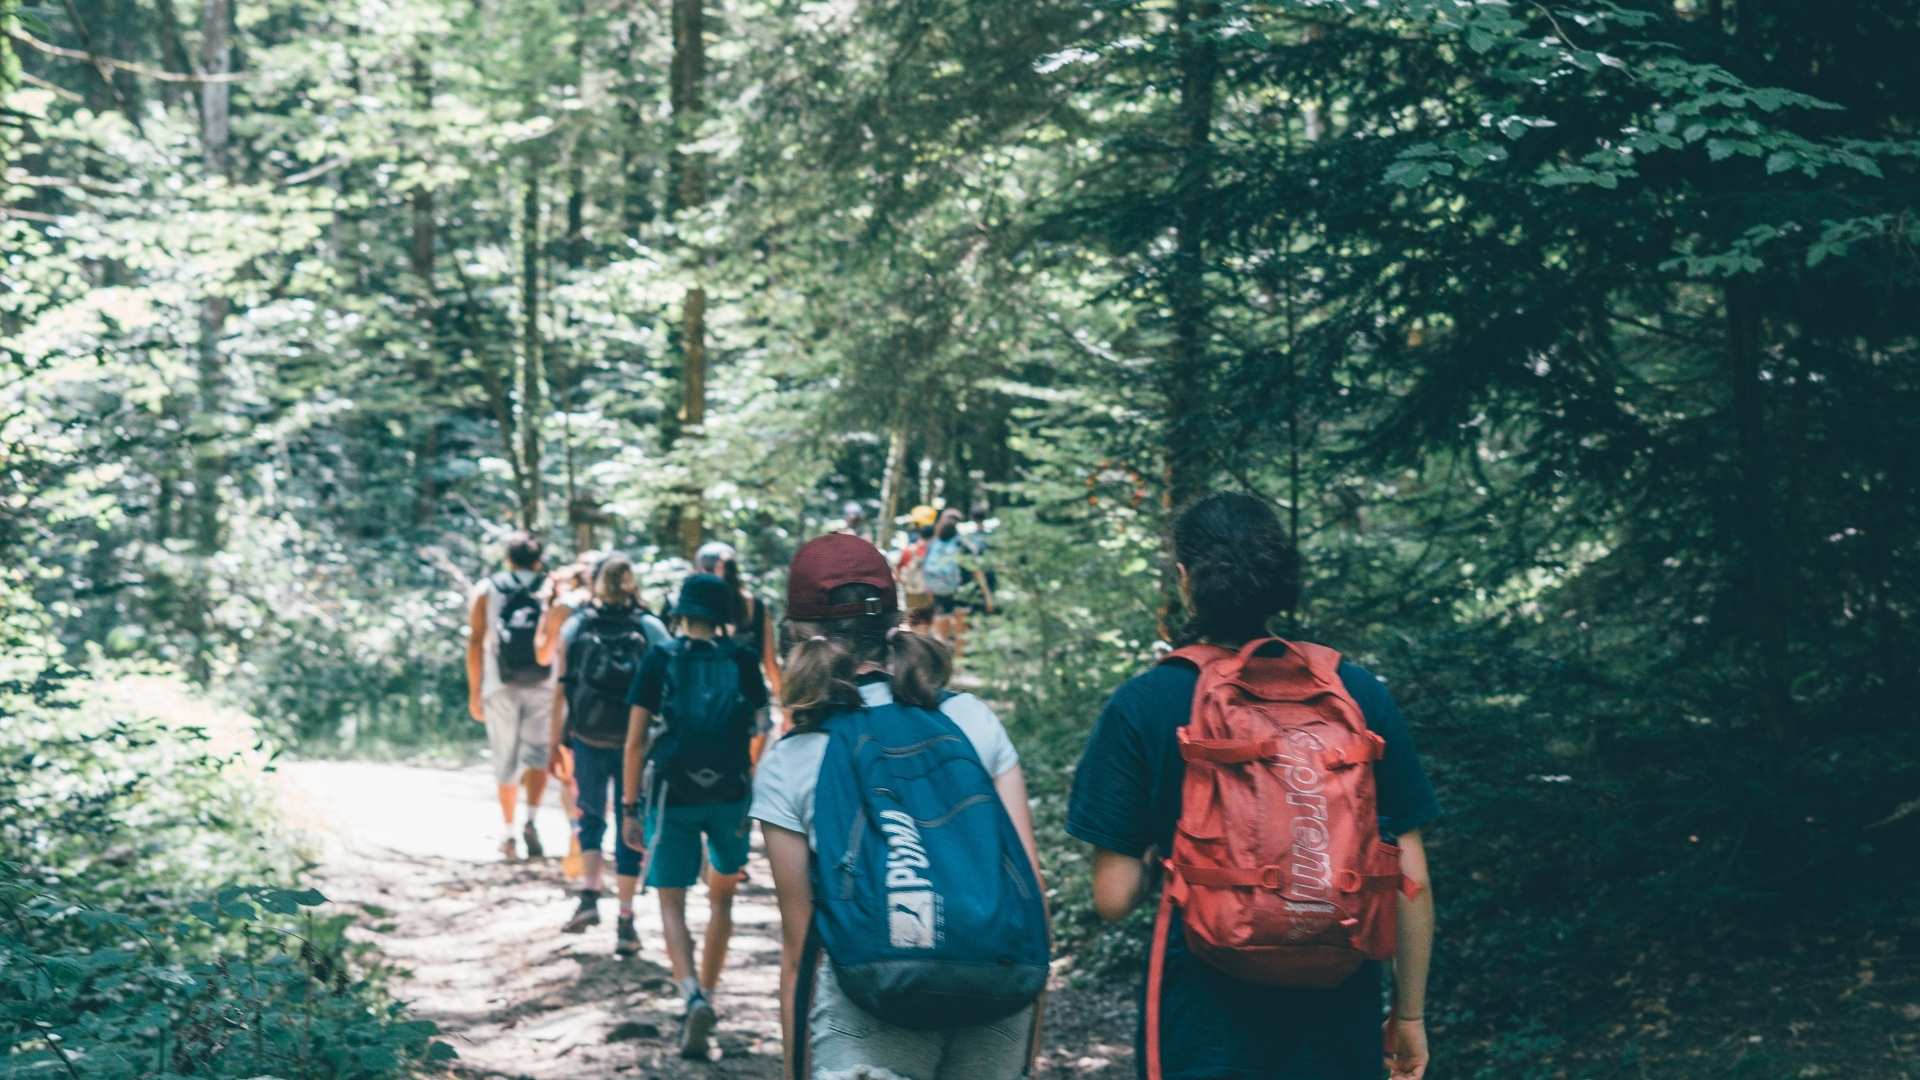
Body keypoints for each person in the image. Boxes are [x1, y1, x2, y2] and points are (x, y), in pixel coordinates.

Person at [1067, 493, 1440, 1080]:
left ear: (1186, 580)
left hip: (1202, 1020)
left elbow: (1112, 898)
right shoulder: (1356, 693)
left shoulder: (1144, 703)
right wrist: (1410, 1015)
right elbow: (1407, 866)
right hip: (1338, 1016)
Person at [751, 533, 1047, 1079]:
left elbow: (800, 947)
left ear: (799, 632)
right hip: (996, 992)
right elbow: (1028, 890)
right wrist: (1025, 1043)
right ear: (894, 620)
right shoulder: (972, 721)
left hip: (868, 1004)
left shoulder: (792, 760)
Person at [620, 572, 769, 1059]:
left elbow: (636, 741)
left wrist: (628, 807)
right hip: (730, 793)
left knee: (671, 903)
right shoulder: (745, 660)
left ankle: (691, 997)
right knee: (722, 899)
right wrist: (752, 781)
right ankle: (710, 989)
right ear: (725, 614)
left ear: (680, 612)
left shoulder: (660, 658)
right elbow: (763, 727)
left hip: (672, 793)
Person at [550, 553, 671, 954]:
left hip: (587, 734)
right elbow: (669, 684)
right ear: (631, 582)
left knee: (589, 814)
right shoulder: (650, 627)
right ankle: (625, 918)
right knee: (629, 821)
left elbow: (561, 688)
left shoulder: (577, 625)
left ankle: (588, 895)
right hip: (635, 743)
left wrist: (555, 741)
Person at [466, 531, 557, 861]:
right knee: (538, 755)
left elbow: (476, 641)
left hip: (499, 683)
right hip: (544, 683)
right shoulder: (551, 588)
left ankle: (507, 832)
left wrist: (475, 691)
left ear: (508, 559)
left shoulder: (488, 589)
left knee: (505, 757)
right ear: (539, 559)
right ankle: (531, 819)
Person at [693, 540, 783, 756]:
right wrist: (786, 708)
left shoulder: (701, 610)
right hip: (751, 701)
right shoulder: (757, 607)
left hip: (708, 703)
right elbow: (770, 662)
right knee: (746, 772)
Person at [922, 508, 991, 655]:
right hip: (962, 590)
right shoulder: (964, 545)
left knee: (941, 630)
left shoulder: (934, 543)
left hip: (940, 590)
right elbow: (976, 571)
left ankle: (941, 660)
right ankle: (958, 662)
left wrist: (929, 588)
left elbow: (925, 567)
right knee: (961, 629)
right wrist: (987, 595)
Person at [896, 505, 938, 633]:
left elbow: (898, 570)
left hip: (912, 593)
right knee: (926, 624)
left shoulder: (909, 550)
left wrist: (905, 584)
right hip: (929, 593)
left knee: (913, 623)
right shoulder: (936, 551)